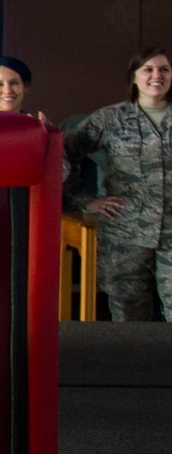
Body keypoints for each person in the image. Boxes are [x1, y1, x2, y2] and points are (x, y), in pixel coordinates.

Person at [66, 47, 172, 321]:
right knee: (128, 317)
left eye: (164, 70)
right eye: (147, 69)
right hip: (126, 234)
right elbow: (63, 154)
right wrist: (86, 200)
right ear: (134, 77)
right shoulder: (110, 119)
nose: (156, 76)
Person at [0, 56, 43, 121]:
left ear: (26, 86)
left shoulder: (37, 126)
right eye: (0, 84)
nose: (7, 91)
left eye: (14, 83)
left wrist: (45, 130)